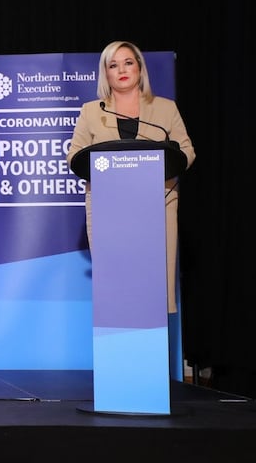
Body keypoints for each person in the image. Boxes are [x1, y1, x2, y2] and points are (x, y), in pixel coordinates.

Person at [67, 40, 195, 315]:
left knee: (153, 295)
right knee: (117, 296)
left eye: (128, 62)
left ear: (139, 68)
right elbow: (74, 155)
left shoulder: (165, 109)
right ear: (106, 73)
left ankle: (153, 335)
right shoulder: (92, 111)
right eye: (113, 65)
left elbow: (186, 150)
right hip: (108, 209)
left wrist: (168, 163)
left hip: (157, 205)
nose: (122, 70)